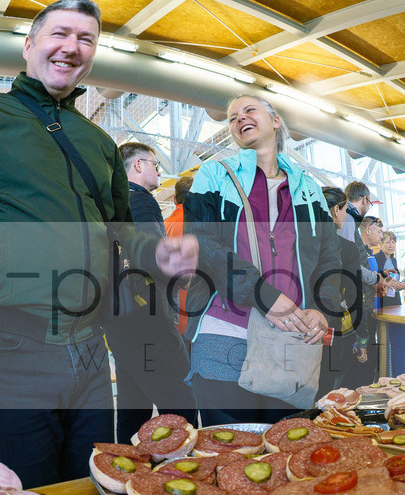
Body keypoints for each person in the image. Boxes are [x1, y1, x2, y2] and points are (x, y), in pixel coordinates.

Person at [0, 0, 197, 489]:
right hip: (9, 352)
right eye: (59, 34)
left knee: (97, 492)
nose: (71, 48)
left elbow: (122, 232)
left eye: (86, 39)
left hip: (92, 355)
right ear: (29, 45)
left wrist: (158, 254)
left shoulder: (99, 143)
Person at [184, 94, 341, 425]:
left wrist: (322, 309)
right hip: (224, 332)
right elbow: (203, 242)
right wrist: (265, 297)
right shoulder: (214, 175)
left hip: (289, 340)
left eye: (249, 110)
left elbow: (329, 257)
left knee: (284, 447)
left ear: (275, 121)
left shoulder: (309, 188)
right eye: (231, 117)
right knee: (228, 451)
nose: (239, 118)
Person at [105, 142, 196, 443]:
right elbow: (154, 259)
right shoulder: (141, 201)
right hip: (150, 320)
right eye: (155, 165)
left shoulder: (114, 203)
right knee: (181, 403)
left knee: (133, 406)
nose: (159, 171)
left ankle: (128, 469)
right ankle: (184, 470)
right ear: (138, 166)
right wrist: (179, 277)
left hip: (123, 319)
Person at [319, 187, 371, 391]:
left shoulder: (300, 244)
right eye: (344, 208)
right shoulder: (346, 248)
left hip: (298, 327)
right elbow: (355, 297)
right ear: (336, 211)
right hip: (331, 327)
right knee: (326, 387)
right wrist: (363, 339)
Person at [167, 175, 193, 335]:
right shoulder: (199, 224)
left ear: (174, 199)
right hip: (196, 305)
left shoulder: (163, 224)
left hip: (173, 304)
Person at [376, 229, 405, 307]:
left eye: (393, 242)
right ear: (380, 244)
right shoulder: (375, 258)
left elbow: (394, 280)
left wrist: (400, 285)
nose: (391, 245)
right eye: (387, 242)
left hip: (395, 299)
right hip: (383, 300)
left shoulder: (393, 260)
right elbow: (376, 280)